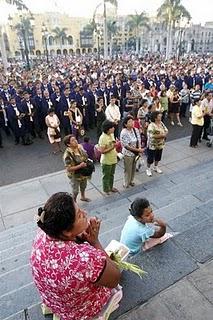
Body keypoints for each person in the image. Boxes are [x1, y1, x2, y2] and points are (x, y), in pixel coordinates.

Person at [30, 192, 122, 320]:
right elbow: (115, 279)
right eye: (79, 215)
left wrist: (77, 236)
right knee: (117, 286)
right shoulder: (86, 258)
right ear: (67, 231)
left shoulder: (42, 233)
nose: (84, 213)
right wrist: (95, 242)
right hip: (79, 312)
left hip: (55, 302)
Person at [63, 134, 91, 202]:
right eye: (73, 140)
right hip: (74, 175)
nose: (75, 141)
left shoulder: (79, 147)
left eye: (75, 139)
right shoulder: (67, 154)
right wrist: (80, 166)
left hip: (83, 172)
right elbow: (68, 169)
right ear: (68, 144)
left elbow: (86, 156)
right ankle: (74, 201)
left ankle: (83, 197)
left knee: (83, 185)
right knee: (75, 190)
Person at [120, 116, 143, 188]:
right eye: (129, 122)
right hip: (128, 154)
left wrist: (139, 148)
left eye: (132, 121)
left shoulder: (135, 130)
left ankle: (131, 181)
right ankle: (126, 183)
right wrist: (138, 150)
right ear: (125, 124)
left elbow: (139, 139)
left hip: (135, 153)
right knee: (128, 169)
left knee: (133, 168)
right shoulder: (123, 132)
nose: (132, 123)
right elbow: (126, 146)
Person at [98, 120, 118, 196]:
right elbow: (102, 151)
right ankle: (106, 189)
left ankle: (111, 187)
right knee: (106, 176)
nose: (114, 128)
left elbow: (113, 143)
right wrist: (113, 147)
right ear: (108, 129)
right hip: (106, 160)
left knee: (112, 174)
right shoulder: (103, 138)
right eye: (112, 127)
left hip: (113, 158)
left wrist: (115, 144)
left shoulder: (111, 134)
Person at [146, 111, 168, 177]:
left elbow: (166, 130)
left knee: (158, 156)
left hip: (160, 144)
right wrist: (162, 135)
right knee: (150, 158)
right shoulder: (151, 125)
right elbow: (152, 135)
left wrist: (164, 134)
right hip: (152, 145)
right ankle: (148, 169)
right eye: (159, 116)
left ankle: (156, 167)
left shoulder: (161, 123)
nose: (161, 116)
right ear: (155, 118)